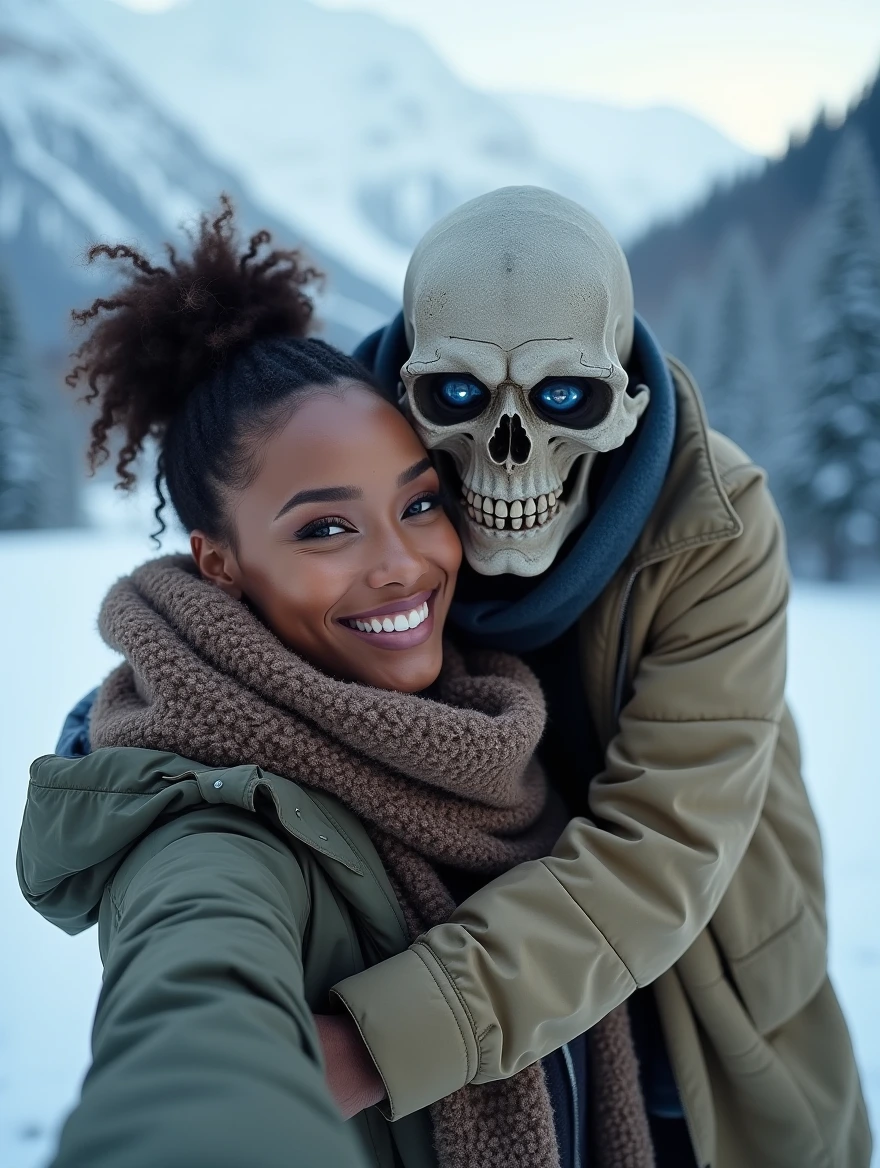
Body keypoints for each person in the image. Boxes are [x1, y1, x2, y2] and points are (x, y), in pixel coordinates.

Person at [40, 186, 872, 1168]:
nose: (508, 450)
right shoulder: (348, 476)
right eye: (461, 397)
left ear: (625, 400)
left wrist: (389, 1035)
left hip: (707, 1015)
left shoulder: (710, 524)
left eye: (568, 397)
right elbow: (199, 961)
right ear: (406, 398)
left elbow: (666, 844)